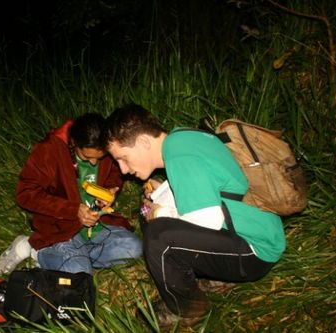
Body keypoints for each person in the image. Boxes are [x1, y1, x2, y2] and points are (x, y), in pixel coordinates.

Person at [104, 104, 286, 330]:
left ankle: (186, 308)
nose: (122, 169)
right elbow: (206, 185)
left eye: (123, 158)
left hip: (254, 251)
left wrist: (161, 212)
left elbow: (207, 220)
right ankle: (217, 277)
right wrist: (162, 195)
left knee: (159, 237)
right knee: (148, 213)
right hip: (255, 232)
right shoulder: (181, 138)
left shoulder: (180, 157)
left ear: (143, 142)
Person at [0, 113, 142, 275]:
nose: (94, 163)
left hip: (98, 226)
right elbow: (26, 194)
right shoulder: (50, 150)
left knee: (134, 249)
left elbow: (115, 174)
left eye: (100, 157)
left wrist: (109, 189)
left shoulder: (108, 145)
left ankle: (72, 258)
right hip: (59, 229)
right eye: (87, 157)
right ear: (74, 143)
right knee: (78, 271)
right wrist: (73, 209)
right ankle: (34, 250)